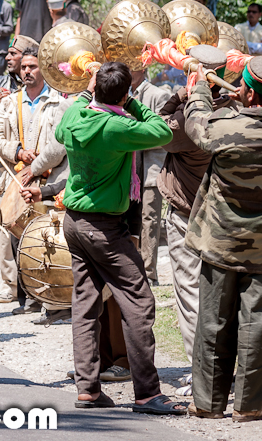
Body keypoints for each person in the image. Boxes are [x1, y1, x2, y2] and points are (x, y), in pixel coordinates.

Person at [184, 57, 262, 421]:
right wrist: (252, 95)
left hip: (220, 241)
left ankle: (207, 404)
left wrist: (199, 86)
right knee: (258, 322)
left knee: (213, 321)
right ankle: (249, 405)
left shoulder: (224, 128)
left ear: (250, 91)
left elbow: (196, 121)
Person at [56, 62, 184, 413]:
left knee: (85, 306)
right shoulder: (118, 125)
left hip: (74, 222)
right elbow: (161, 132)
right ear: (125, 94)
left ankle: (88, 389)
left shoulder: (75, 115)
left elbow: (61, 130)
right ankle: (146, 392)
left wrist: (92, 91)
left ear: (94, 89)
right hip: (105, 229)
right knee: (139, 303)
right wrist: (134, 104)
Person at [156, 54, 234, 397]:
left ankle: (200, 370)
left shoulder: (187, 122)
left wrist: (178, 97)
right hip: (224, 216)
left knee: (189, 291)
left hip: (186, 214)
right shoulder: (233, 112)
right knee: (222, 292)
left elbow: (156, 128)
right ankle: (225, 368)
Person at [0, 46, 71, 317]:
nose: (26, 71)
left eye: (32, 66)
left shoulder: (61, 102)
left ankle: (48, 294)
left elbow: (61, 143)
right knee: (12, 234)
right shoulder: (9, 102)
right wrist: (16, 151)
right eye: (23, 67)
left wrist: (39, 166)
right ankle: (19, 292)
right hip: (16, 176)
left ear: (44, 69)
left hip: (51, 178)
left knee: (45, 237)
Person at [130, 69, 171, 287]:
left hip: (149, 171)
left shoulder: (158, 94)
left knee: (149, 220)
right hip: (126, 170)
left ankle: (149, 273)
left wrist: (131, 136)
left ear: (143, 69)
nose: (127, 69)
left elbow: (164, 134)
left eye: (132, 65)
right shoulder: (119, 92)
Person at [0, 35, 38, 124]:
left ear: (26, 57)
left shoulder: (42, 85)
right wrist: (1, 106)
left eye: (13, 53)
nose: (7, 57)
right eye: (8, 53)